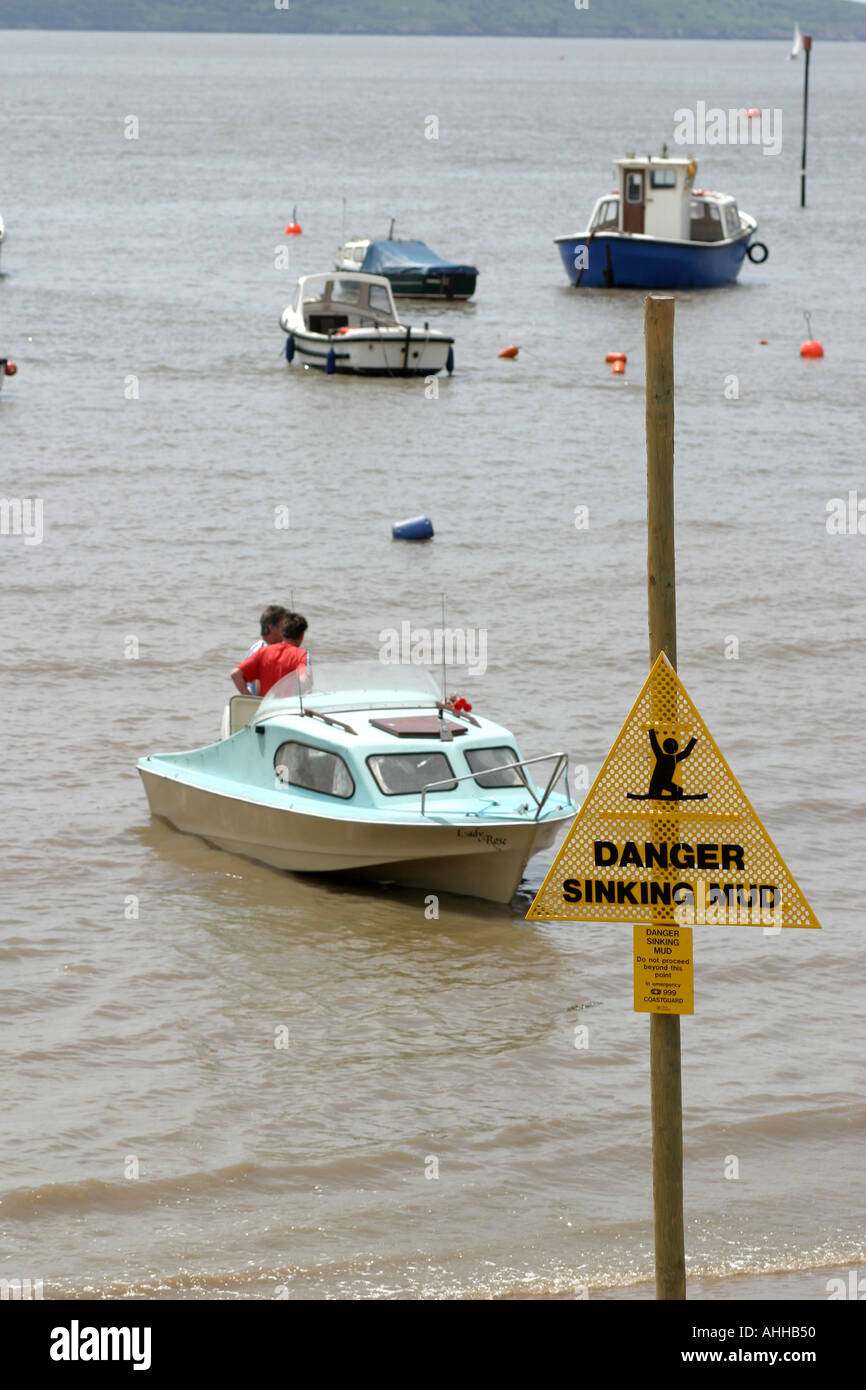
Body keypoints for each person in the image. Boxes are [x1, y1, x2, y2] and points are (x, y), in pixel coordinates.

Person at [231, 613, 310, 698]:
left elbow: (235, 674)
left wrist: (248, 697)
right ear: (302, 635)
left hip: (267, 708)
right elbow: (304, 681)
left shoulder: (263, 651)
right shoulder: (301, 655)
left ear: (282, 632)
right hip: (288, 708)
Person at [242, 605, 289, 694]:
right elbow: (260, 691)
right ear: (271, 628)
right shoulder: (263, 651)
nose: (287, 629)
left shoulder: (257, 646)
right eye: (284, 625)